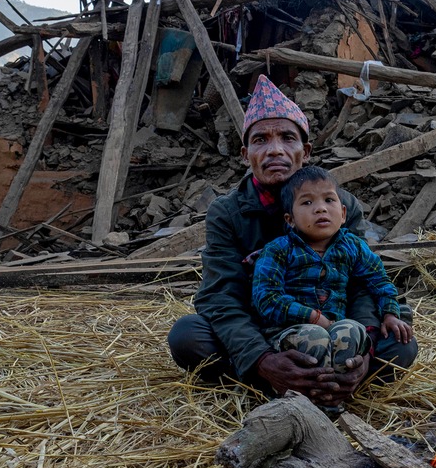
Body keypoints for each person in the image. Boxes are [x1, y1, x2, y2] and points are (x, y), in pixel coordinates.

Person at [167, 75, 418, 408]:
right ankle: (276, 377)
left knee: (400, 340)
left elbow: (362, 284)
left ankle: (339, 376)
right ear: (245, 154)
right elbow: (220, 296)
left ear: (306, 151)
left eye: (288, 137)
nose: (275, 150)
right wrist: (262, 360)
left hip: (336, 322)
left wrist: (363, 352)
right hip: (264, 326)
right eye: (261, 140)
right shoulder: (227, 213)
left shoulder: (340, 206)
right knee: (188, 336)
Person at [252, 166, 413, 380]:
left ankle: (336, 392)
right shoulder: (278, 250)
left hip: (336, 329)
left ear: (344, 213)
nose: (321, 209)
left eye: (329, 200)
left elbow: (379, 280)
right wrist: (313, 318)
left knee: (354, 330)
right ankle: (305, 398)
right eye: (307, 202)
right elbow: (266, 298)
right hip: (288, 331)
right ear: (290, 220)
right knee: (315, 335)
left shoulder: (352, 246)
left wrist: (390, 314)